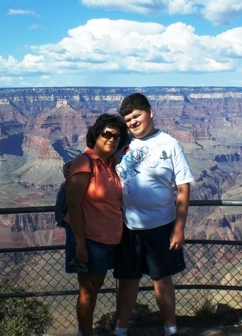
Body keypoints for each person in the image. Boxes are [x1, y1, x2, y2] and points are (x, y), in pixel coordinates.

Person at [113, 93, 194, 336]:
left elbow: (183, 187)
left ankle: (170, 329)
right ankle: (120, 330)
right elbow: (97, 149)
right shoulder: (122, 144)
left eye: (136, 116)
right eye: (127, 120)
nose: (132, 123)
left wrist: (179, 227)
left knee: (162, 280)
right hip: (128, 227)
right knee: (127, 282)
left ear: (150, 112)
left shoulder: (170, 145)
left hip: (161, 225)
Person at [63, 113, 129, 336]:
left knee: (95, 288)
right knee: (88, 292)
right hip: (90, 241)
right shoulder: (85, 162)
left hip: (109, 239)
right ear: (95, 135)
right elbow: (73, 205)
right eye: (106, 134)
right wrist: (80, 244)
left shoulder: (111, 163)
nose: (111, 139)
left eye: (116, 137)